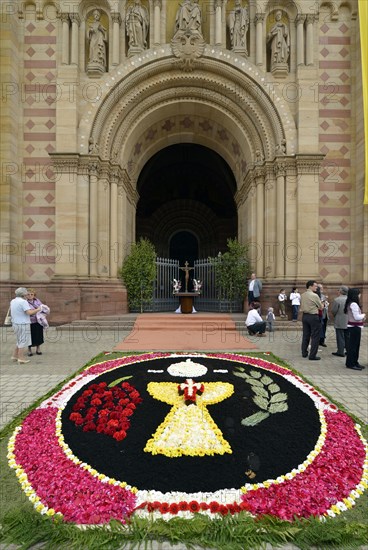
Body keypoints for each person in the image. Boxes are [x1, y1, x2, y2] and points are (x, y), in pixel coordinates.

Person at [10, 287, 42, 364]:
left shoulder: (13, 301)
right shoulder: (23, 302)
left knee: (19, 340)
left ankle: (14, 356)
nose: (27, 294)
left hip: (15, 323)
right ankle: (21, 358)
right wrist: (38, 309)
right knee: (23, 341)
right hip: (23, 323)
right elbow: (29, 312)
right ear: (24, 294)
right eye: (26, 293)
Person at [300, 280, 323, 360]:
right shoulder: (314, 295)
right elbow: (321, 307)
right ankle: (312, 355)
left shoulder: (302, 295)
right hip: (313, 316)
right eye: (315, 286)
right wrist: (323, 304)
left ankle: (304, 352)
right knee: (315, 336)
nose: (316, 287)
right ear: (310, 286)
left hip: (305, 316)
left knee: (306, 335)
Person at [344, 288, 366, 371]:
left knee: (355, 346)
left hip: (353, 327)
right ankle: (351, 363)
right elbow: (357, 317)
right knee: (353, 346)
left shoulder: (350, 303)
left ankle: (355, 362)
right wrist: (363, 315)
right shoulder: (354, 304)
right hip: (355, 327)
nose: (360, 295)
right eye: (359, 294)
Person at [27, 288, 49, 356]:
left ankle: (38, 348)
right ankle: (29, 350)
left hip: (38, 321)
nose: (30, 295)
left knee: (38, 335)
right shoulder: (24, 302)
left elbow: (42, 308)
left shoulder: (37, 301)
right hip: (29, 321)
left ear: (34, 295)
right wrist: (36, 310)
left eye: (32, 294)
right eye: (28, 294)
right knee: (30, 336)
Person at [330, 285, 349, 357]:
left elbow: (334, 310)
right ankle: (348, 350)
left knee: (340, 336)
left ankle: (340, 351)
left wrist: (335, 316)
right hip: (348, 320)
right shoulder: (349, 299)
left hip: (339, 320)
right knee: (347, 337)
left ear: (341, 291)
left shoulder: (337, 300)